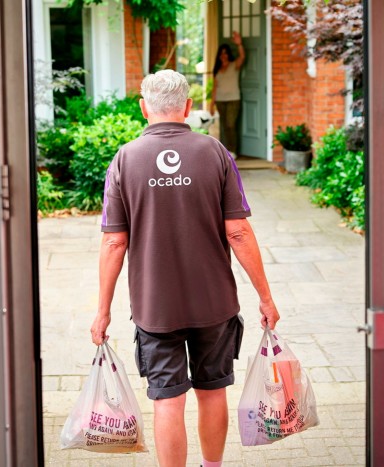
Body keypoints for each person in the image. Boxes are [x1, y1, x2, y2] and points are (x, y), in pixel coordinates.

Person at [90, 69, 279, 467]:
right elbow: (239, 232)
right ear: (188, 107)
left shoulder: (125, 159)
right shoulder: (215, 153)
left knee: (168, 400)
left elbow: (114, 241)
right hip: (214, 305)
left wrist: (103, 310)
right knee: (213, 392)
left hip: (156, 309)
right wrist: (266, 297)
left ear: (144, 108)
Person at [209, 31, 245, 158]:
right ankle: (225, 151)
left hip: (233, 99)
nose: (223, 55)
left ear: (228, 54)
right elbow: (214, 88)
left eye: (225, 52)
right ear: (219, 55)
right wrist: (211, 104)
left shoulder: (234, 65)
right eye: (221, 53)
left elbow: (242, 57)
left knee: (230, 125)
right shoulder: (217, 69)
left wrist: (239, 44)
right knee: (224, 126)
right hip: (220, 100)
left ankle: (232, 151)